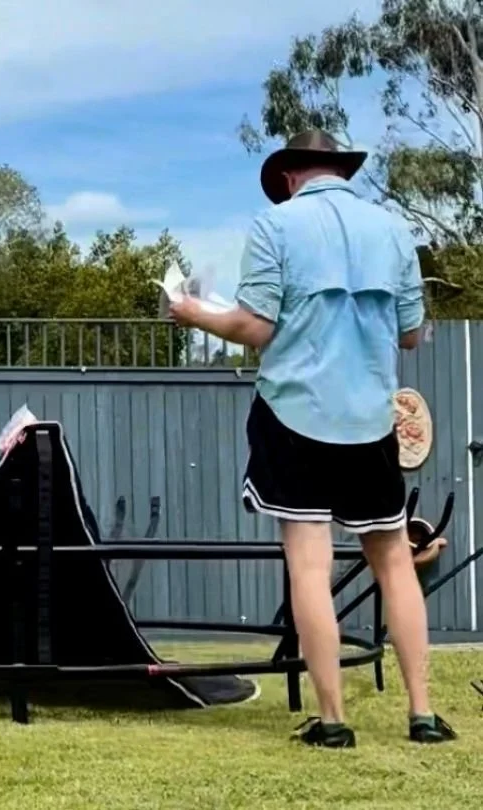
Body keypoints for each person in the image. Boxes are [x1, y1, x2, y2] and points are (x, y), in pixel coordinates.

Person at [168, 129, 456, 748]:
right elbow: (410, 335)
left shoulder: (277, 226)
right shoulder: (394, 232)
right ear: (339, 171)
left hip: (296, 416)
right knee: (396, 565)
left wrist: (193, 313)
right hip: (371, 421)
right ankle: (423, 715)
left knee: (308, 564)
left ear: (292, 175)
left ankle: (332, 723)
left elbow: (254, 326)